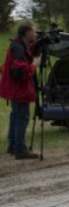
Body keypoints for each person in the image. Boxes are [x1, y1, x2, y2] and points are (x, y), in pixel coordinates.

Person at [0, 21, 41, 160]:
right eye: (34, 31)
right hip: (19, 89)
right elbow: (18, 71)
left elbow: (29, 52)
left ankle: (13, 145)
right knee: (21, 117)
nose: (35, 34)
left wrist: (39, 45)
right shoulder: (18, 47)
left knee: (15, 116)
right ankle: (20, 148)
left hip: (15, 89)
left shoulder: (18, 45)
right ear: (28, 32)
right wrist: (33, 65)